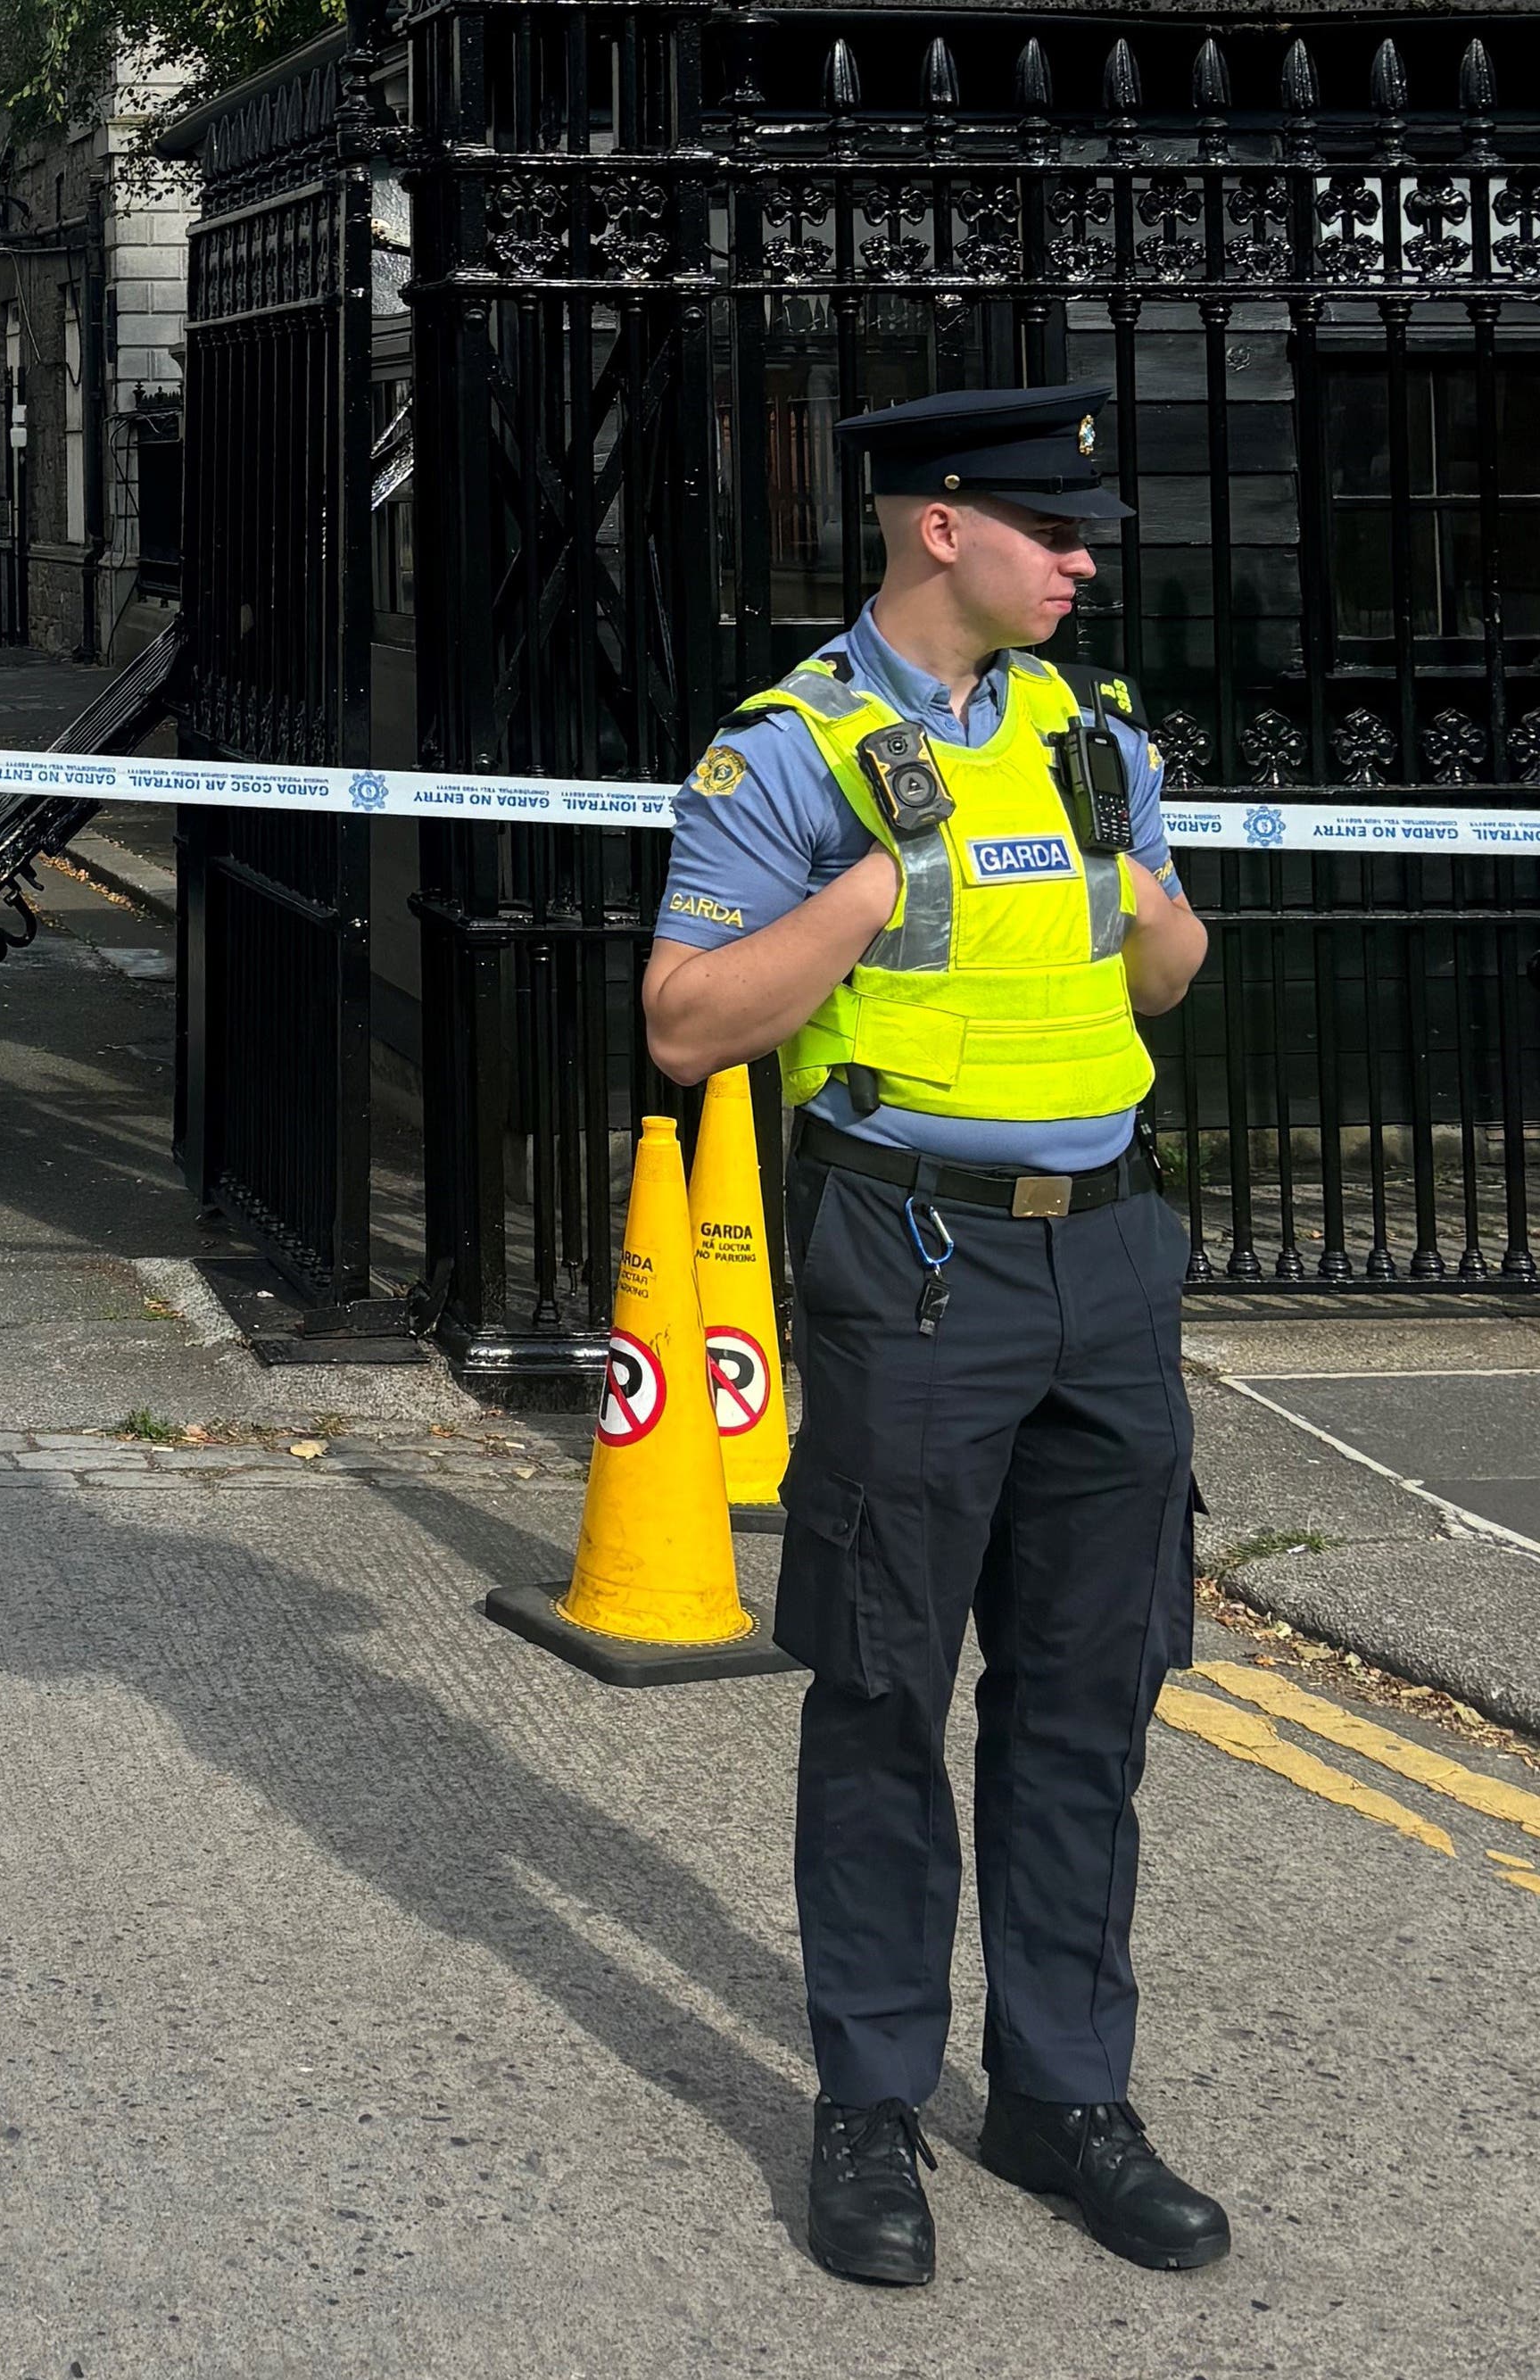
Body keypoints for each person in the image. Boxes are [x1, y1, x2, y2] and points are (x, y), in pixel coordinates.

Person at [640, 384, 1229, 2288]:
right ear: (938, 529)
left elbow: (1169, 960)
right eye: (1052, 526)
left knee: (1084, 1700)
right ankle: (869, 2100)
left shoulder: (1090, 735)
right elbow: (681, 1020)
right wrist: (876, 889)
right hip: (912, 1264)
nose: (1083, 556)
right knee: (885, 1692)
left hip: (1109, 1258)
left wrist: (1131, 899)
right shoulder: (792, 749)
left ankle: (1061, 2094)